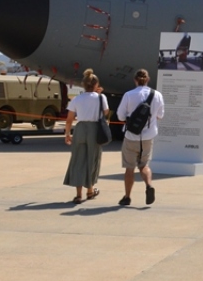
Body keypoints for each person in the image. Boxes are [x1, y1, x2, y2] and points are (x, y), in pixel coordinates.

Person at [116, 69, 165, 206]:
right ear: (148, 79)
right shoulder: (157, 95)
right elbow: (160, 115)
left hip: (131, 136)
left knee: (129, 168)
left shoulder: (128, 95)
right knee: (144, 165)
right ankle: (149, 185)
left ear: (135, 80)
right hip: (148, 137)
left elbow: (120, 116)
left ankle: (127, 197)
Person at [64, 69, 109, 204]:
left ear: (83, 85)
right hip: (94, 129)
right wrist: (99, 95)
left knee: (78, 159)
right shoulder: (101, 98)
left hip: (80, 128)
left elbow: (69, 119)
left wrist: (67, 133)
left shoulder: (77, 99)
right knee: (92, 159)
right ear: (96, 85)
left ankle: (78, 194)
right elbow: (106, 113)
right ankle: (90, 190)